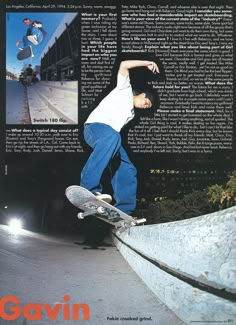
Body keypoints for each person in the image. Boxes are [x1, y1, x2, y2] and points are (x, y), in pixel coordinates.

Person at [80, 60, 159, 216]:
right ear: (142, 94)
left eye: (148, 106)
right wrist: (147, 63)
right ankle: (88, 188)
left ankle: (124, 210)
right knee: (113, 136)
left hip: (109, 138)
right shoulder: (124, 89)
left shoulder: (131, 114)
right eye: (146, 102)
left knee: (128, 167)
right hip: (94, 128)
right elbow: (123, 65)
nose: (145, 105)